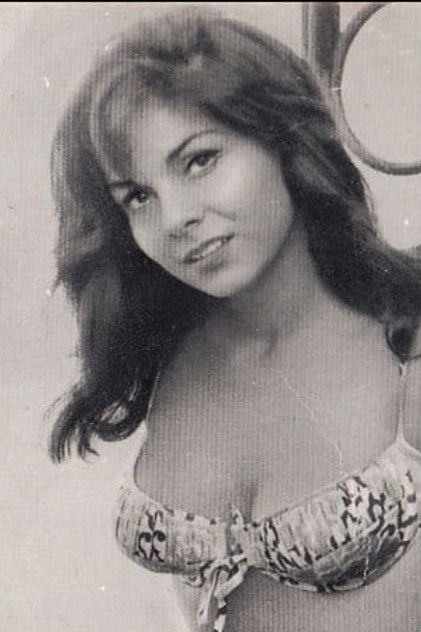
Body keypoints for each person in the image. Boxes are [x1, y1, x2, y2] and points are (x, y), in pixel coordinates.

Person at [49, 8, 421, 632]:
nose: (176, 219)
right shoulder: (169, 350)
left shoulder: (405, 343)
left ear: (282, 138)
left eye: (199, 161)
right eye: (138, 196)